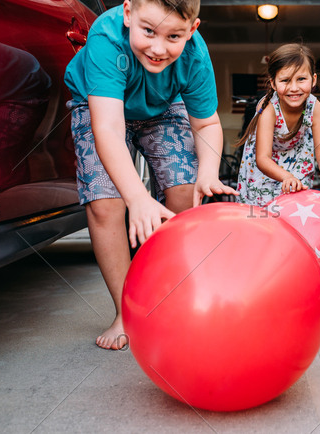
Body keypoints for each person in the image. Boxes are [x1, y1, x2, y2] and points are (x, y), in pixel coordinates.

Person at [64, 0, 236, 350]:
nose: (158, 48)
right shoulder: (106, 40)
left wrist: (207, 172)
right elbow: (109, 129)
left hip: (162, 106)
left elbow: (207, 122)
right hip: (99, 105)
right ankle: (128, 311)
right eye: (148, 31)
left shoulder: (195, 56)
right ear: (128, 14)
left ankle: (173, 296)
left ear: (193, 29)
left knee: (187, 192)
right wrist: (138, 198)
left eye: (174, 35)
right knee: (105, 202)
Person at [236, 43, 320, 207]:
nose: (294, 88)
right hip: (265, 169)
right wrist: (285, 176)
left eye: (301, 79)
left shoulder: (316, 109)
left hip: (297, 161)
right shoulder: (269, 109)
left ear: (313, 80)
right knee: (262, 217)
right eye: (285, 80)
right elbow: (262, 159)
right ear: (273, 83)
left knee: (294, 210)